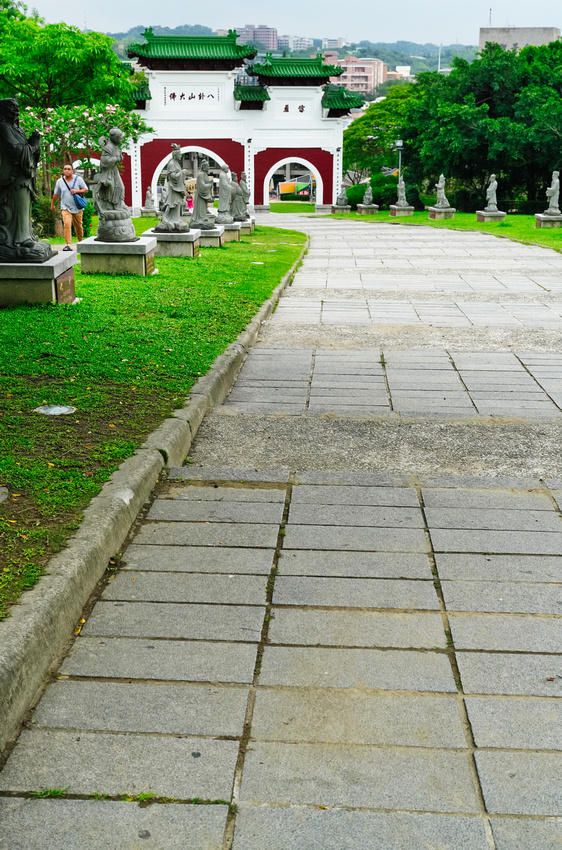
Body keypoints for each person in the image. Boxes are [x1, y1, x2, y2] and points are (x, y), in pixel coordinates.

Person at [51, 163, 88, 250]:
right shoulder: (60, 182)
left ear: (72, 171)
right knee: (67, 224)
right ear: (63, 171)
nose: (66, 170)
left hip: (77, 207)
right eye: (65, 169)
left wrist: (76, 191)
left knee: (78, 226)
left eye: (68, 169)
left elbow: (85, 190)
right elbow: (56, 194)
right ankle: (68, 244)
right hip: (65, 207)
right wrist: (52, 204)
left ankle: (80, 242)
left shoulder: (78, 179)